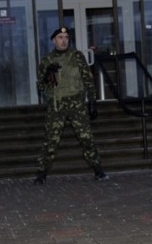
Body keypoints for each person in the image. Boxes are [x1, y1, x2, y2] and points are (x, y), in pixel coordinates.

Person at [34, 26, 107, 184]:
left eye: (66, 37)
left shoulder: (77, 56)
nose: (64, 41)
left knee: (86, 138)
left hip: (76, 104)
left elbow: (88, 79)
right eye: (60, 38)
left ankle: (98, 169)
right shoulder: (46, 60)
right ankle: (41, 173)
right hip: (57, 105)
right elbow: (40, 87)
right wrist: (47, 75)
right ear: (54, 41)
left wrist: (92, 101)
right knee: (51, 140)